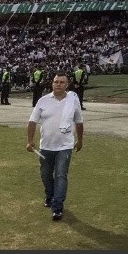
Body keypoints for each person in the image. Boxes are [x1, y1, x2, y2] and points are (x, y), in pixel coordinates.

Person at [26, 71, 84, 221]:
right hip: (46, 146)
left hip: (65, 146)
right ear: (52, 83)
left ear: (67, 85)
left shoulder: (73, 101)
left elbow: (79, 122)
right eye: (56, 82)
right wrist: (30, 140)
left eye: (62, 82)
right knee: (45, 174)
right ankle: (50, 196)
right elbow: (32, 121)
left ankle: (57, 207)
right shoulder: (43, 101)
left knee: (60, 175)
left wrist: (80, 140)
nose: (58, 84)